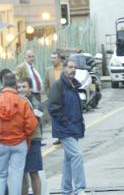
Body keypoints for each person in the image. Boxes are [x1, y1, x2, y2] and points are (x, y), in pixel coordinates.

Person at [0, 73, 37, 195]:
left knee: (0, 175)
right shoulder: (22, 102)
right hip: (19, 142)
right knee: (16, 176)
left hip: (0, 142)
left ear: (3, 84)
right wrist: (25, 135)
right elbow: (32, 124)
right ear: (16, 85)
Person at [49, 56, 87, 193]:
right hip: (65, 129)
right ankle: (80, 188)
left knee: (69, 160)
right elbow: (53, 108)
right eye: (70, 67)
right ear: (64, 68)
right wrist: (66, 123)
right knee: (76, 155)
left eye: (74, 67)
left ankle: (66, 190)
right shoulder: (58, 86)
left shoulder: (73, 86)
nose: (73, 70)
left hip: (73, 128)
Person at [18, 78, 43, 195]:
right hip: (20, 142)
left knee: (33, 172)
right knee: (22, 174)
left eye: (24, 87)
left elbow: (34, 122)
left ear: (30, 88)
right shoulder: (16, 102)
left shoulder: (37, 104)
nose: (21, 89)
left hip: (33, 141)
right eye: (19, 87)